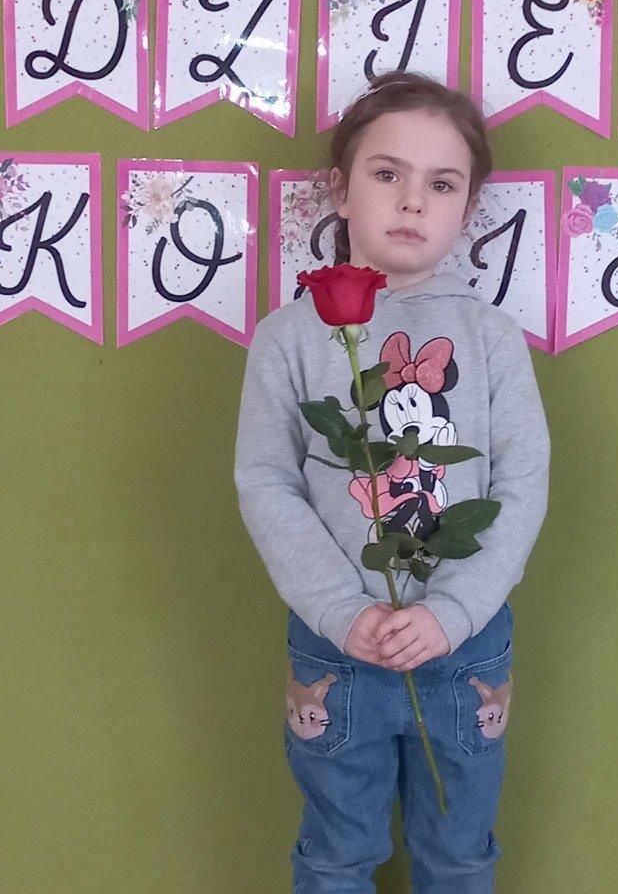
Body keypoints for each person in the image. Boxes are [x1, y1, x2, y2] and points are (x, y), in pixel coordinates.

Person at [234, 69, 550, 893]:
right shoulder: (288, 338)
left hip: (466, 645)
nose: (413, 201)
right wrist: (344, 611)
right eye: (387, 174)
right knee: (336, 855)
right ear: (340, 190)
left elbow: (521, 486)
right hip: (337, 649)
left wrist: (453, 612)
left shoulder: (492, 338)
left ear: (467, 208)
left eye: (441, 184)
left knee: (460, 855)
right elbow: (267, 482)